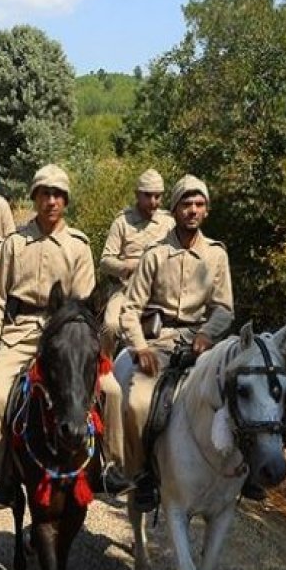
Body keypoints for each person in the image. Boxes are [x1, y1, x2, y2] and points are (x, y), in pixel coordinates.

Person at [0, 164, 115, 509]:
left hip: (65, 336)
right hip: (21, 332)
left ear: (65, 201)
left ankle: (107, 465)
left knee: (111, 391)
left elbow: (83, 307)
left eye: (57, 195)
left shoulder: (78, 246)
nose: (51, 201)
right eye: (44, 194)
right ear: (35, 198)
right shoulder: (15, 243)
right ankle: (3, 475)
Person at [120, 175, 235, 511]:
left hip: (202, 344)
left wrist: (207, 334)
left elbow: (225, 309)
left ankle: (245, 473)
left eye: (199, 204)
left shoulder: (216, 255)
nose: (192, 210)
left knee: (241, 394)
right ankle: (141, 474)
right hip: (160, 342)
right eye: (186, 204)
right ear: (174, 209)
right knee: (137, 403)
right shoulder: (155, 255)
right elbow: (130, 308)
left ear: (207, 211)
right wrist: (140, 347)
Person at [97, 169, 174, 486]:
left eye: (158, 196)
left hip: (157, 293)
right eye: (148, 196)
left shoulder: (169, 222)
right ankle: (102, 377)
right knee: (112, 325)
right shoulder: (122, 222)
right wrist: (129, 266)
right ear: (137, 195)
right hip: (126, 290)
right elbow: (105, 261)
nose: (153, 202)